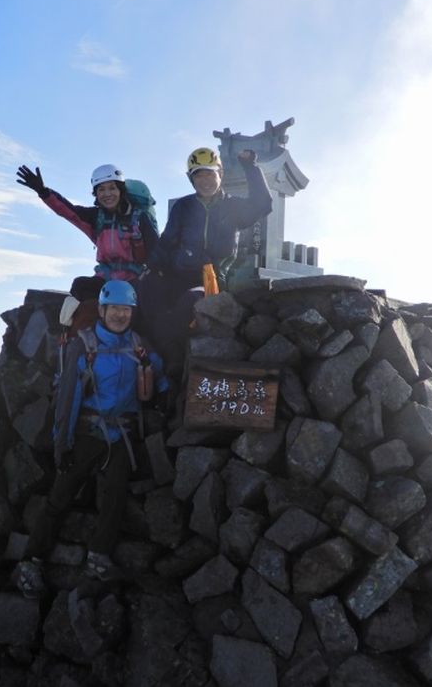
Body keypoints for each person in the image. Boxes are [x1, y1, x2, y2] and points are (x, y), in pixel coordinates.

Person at [15, 280, 168, 596]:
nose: (120, 315)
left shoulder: (138, 343)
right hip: (86, 432)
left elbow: (159, 373)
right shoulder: (83, 345)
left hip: (120, 434)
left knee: (114, 498)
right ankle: (30, 561)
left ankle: (98, 557)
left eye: (126, 310)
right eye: (114, 309)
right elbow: (69, 398)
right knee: (60, 497)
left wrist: (154, 368)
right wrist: (62, 443)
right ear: (102, 310)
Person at [141, 146, 273, 372]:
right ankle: (150, 352)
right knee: (146, 288)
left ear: (220, 174)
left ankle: (172, 360)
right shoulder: (184, 206)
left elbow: (263, 205)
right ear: (191, 179)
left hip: (212, 279)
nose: (205, 180)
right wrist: (150, 267)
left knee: (190, 300)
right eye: (199, 175)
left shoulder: (232, 206)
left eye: (210, 173)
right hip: (179, 274)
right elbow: (168, 240)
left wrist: (250, 167)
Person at [16, 163, 159, 319]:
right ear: (96, 194)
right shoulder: (95, 217)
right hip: (104, 280)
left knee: (148, 309)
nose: (107, 194)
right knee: (80, 286)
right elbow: (68, 210)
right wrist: (43, 192)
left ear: (120, 190)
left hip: (134, 280)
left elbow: (156, 251)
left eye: (112, 188)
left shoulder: (139, 218)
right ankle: (67, 338)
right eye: (101, 189)